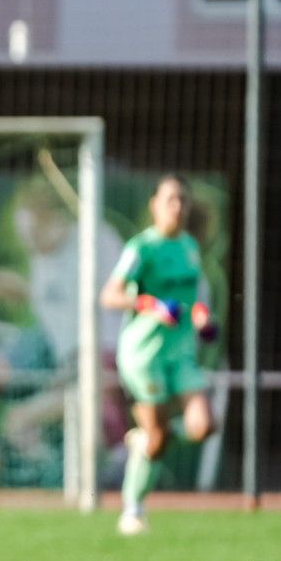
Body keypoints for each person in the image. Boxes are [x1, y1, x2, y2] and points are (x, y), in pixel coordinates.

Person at [99, 174, 217, 536]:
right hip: (144, 355)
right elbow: (110, 296)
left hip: (180, 355)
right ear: (154, 205)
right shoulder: (141, 249)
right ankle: (132, 509)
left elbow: (194, 301)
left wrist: (201, 318)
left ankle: (144, 437)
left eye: (182, 200)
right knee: (160, 437)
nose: (177, 207)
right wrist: (150, 304)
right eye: (170, 200)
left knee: (203, 425)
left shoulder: (189, 248)